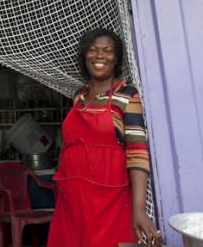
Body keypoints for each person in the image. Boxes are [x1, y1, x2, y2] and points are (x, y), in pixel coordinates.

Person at [47, 28, 162, 247]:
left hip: (110, 202)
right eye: (93, 50)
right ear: (84, 56)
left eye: (107, 51)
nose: (99, 55)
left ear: (116, 58)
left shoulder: (127, 96)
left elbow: (137, 154)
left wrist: (139, 209)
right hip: (72, 202)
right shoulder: (78, 96)